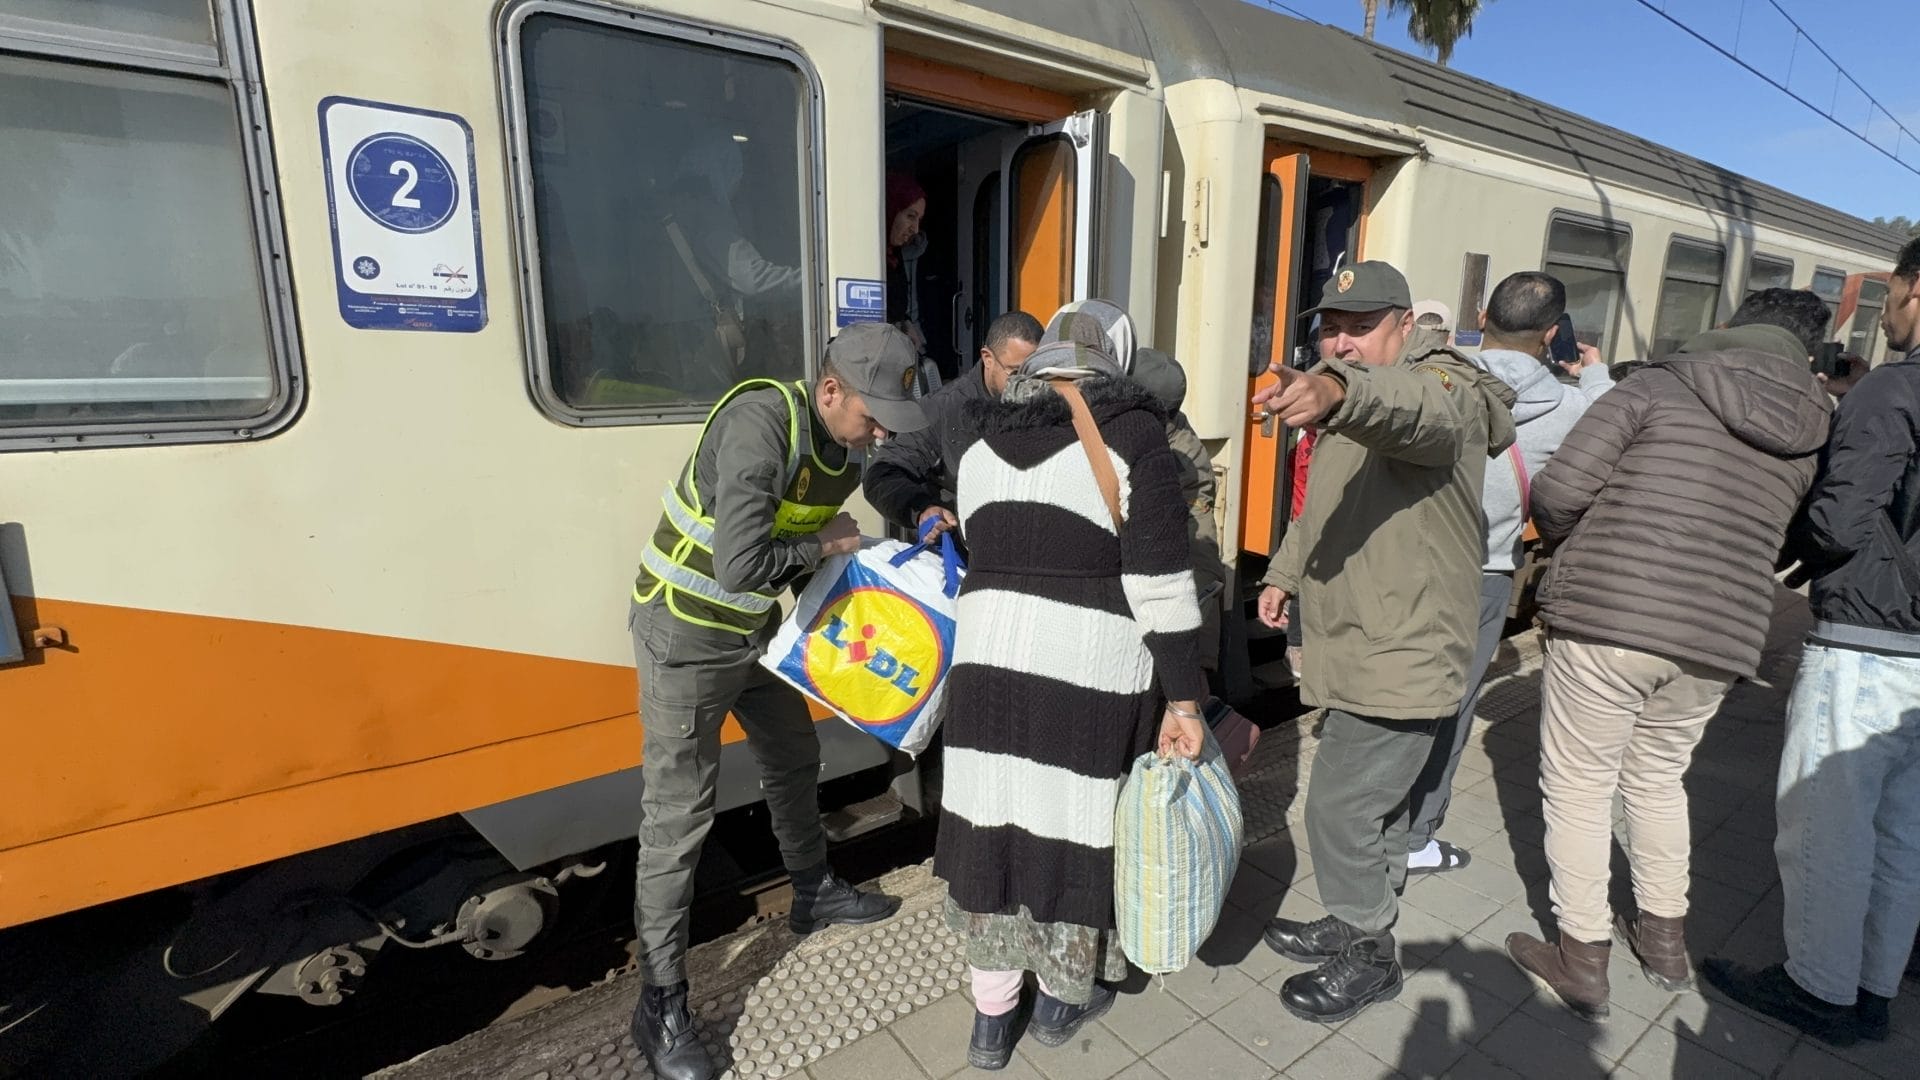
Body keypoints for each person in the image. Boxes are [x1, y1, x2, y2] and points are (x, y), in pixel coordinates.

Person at [1504, 288, 1833, 1022]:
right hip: (1725, 632)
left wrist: (1580, 549)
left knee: (1581, 785)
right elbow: (1800, 537)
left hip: (1611, 617)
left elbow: (1558, 490)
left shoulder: (1658, 382)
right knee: (1658, 779)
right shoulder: (1817, 423)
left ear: (1735, 323)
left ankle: (1582, 956)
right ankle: (1665, 945)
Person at [625, 323, 926, 1080]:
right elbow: (737, 564)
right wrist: (827, 546)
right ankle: (659, 1000)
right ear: (831, 391)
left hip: (754, 633)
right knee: (679, 819)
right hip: (685, 637)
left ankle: (812, 890)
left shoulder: (842, 455)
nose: (881, 430)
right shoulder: (762, 424)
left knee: (796, 756)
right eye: (872, 413)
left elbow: (793, 556)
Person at [932, 323, 1208, 1071]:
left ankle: (991, 1024)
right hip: (1083, 668)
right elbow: (1161, 588)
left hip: (987, 663)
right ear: (1113, 366)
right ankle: (1059, 1000)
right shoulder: (1133, 440)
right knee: (1071, 828)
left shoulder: (980, 445)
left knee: (994, 828)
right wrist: (1186, 700)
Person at [1254, 261, 1517, 1023]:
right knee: (1363, 804)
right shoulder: (1363, 401)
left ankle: (1371, 952)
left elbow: (1416, 413)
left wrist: (1340, 389)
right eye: (1331, 327)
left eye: (1360, 326)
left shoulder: (1441, 385)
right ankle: (1352, 914)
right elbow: (1324, 508)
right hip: (1360, 640)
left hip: (1402, 648)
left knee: (1340, 807)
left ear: (1405, 324)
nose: (1341, 342)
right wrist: (1283, 574)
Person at [1703, 239, 1920, 1047]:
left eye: (1893, 293)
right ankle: (1870, 987)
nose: (1889, 312)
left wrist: (1803, 544)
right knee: (1902, 832)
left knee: (1827, 823)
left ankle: (1817, 988)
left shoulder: (1894, 389)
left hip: (1870, 641)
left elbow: (1838, 520)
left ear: (1917, 289)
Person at [1404, 273, 1615, 877]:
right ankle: (1417, 837)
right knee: (1453, 704)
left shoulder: (1440, 379)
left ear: (1480, 314)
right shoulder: (1569, 404)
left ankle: (1372, 820)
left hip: (1407, 561)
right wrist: (1594, 371)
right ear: (1552, 334)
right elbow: (1610, 414)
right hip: (1483, 575)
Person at [862, 310, 1042, 548]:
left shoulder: (1048, 400)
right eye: (1016, 373)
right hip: (962, 555)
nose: (1028, 383)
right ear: (988, 359)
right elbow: (882, 474)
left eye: (1036, 373)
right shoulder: (943, 409)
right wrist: (922, 509)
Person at [661, 133, 804, 394]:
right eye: (736, 175)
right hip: (700, 337)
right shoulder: (707, 214)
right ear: (721, 171)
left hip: (666, 335)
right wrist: (810, 280)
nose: (738, 187)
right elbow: (752, 279)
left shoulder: (669, 212)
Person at [885, 172, 942, 392]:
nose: (915, 229)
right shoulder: (865, 257)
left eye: (919, 219)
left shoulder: (894, 256)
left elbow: (896, 306)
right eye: (910, 216)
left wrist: (906, 323)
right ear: (891, 210)